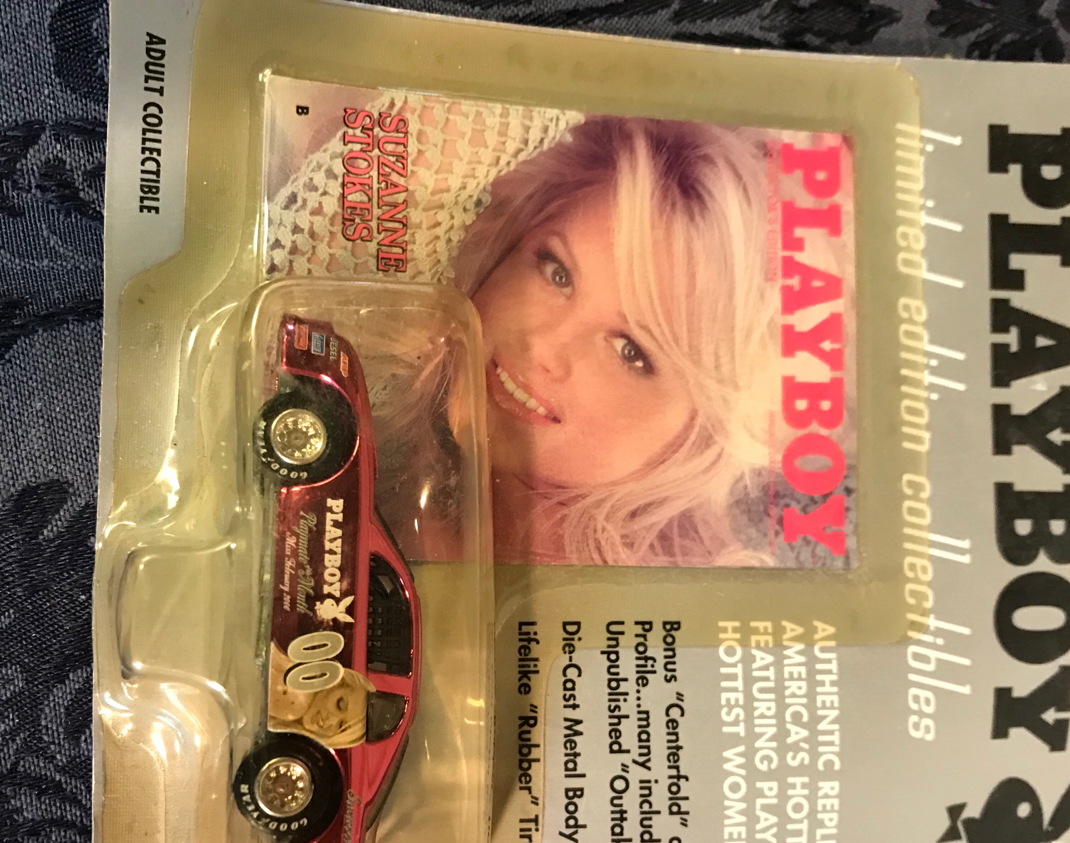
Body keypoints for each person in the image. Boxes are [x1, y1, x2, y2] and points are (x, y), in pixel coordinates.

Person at [267, 96, 853, 566]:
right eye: (557, 272)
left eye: (631, 351)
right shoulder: (380, 416)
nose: (543, 345)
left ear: (701, 438)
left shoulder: (626, 623)